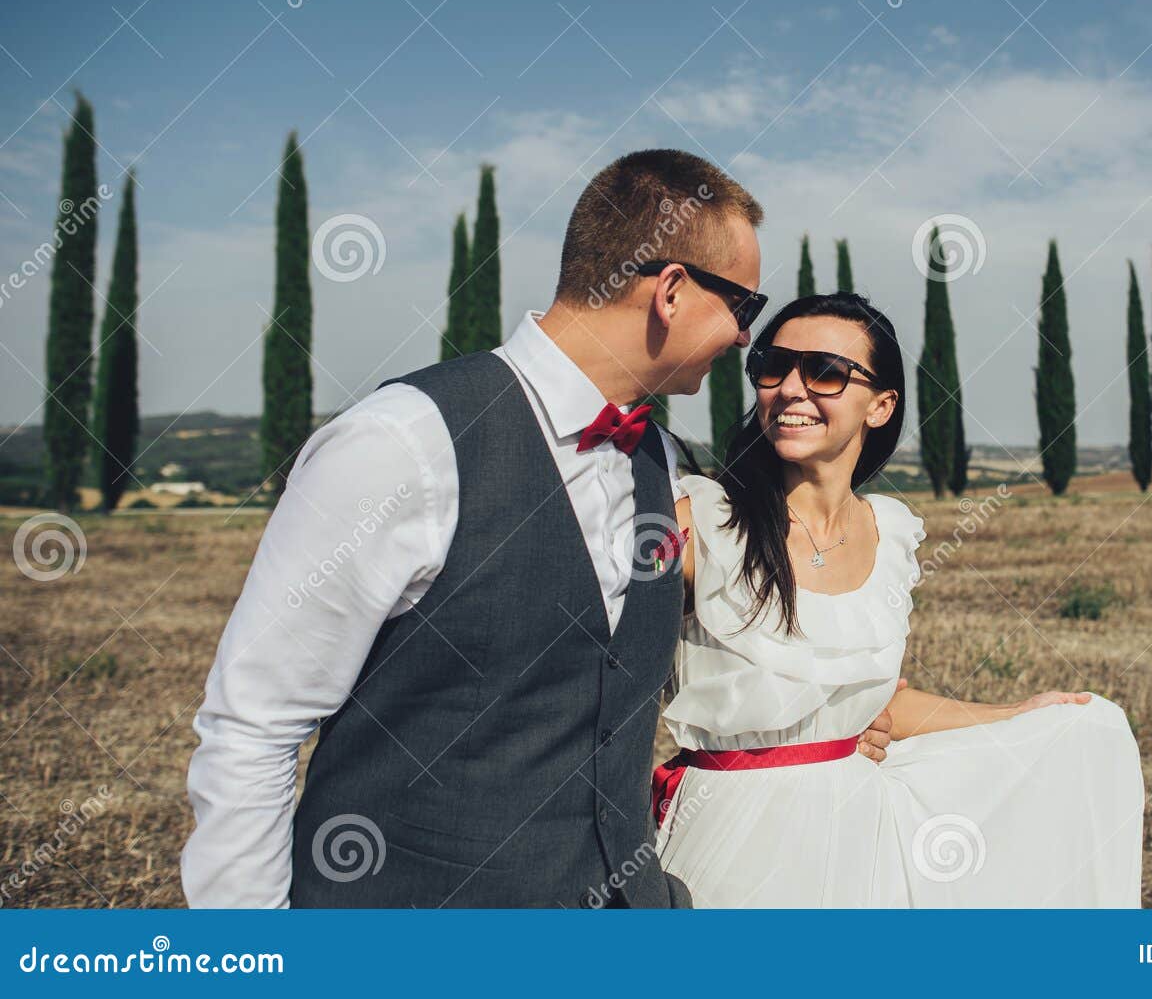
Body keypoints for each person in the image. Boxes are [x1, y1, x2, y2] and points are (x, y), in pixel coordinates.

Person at [180, 150, 896, 908]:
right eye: (744, 308)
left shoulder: (661, 460)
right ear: (674, 291)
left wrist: (841, 722)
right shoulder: (402, 445)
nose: (746, 340)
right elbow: (252, 726)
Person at [654, 292, 1145, 906]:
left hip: (863, 838)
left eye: (826, 372)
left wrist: (1016, 714)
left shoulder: (889, 534)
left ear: (881, 405)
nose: (791, 389)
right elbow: (593, 674)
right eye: (774, 367)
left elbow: (868, 706)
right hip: (730, 843)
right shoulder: (702, 524)